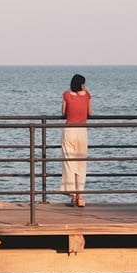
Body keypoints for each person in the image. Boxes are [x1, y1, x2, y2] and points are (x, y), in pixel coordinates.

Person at [60, 73, 92, 207]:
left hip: (69, 131)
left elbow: (63, 112)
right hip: (82, 132)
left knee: (69, 163)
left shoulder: (66, 95)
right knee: (81, 163)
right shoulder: (87, 95)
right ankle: (81, 196)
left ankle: (72, 195)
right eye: (84, 83)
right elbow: (90, 113)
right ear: (81, 84)